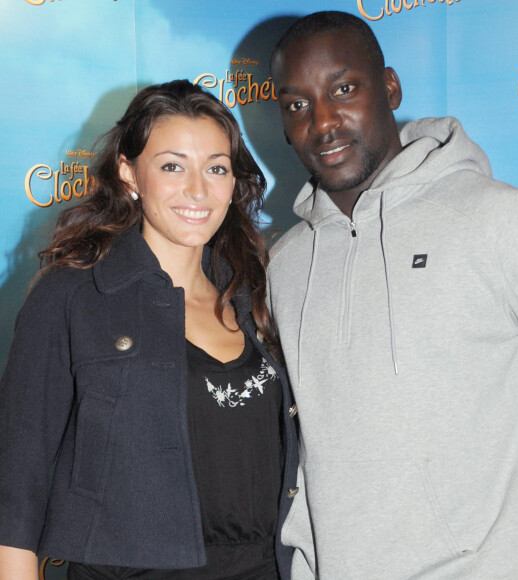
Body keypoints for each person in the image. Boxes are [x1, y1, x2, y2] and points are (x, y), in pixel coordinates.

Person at [267, 10, 518, 580]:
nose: (324, 121)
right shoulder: (285, 265)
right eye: (297, 105)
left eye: (343, 88)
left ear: (389, 87)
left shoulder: (510, 224)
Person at [0, 80, 298, 580]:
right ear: (129, 173)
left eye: (216, 168)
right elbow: (17, 478)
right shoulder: (72, 295)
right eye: (172, 166)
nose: (198, 190)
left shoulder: (259, 293)